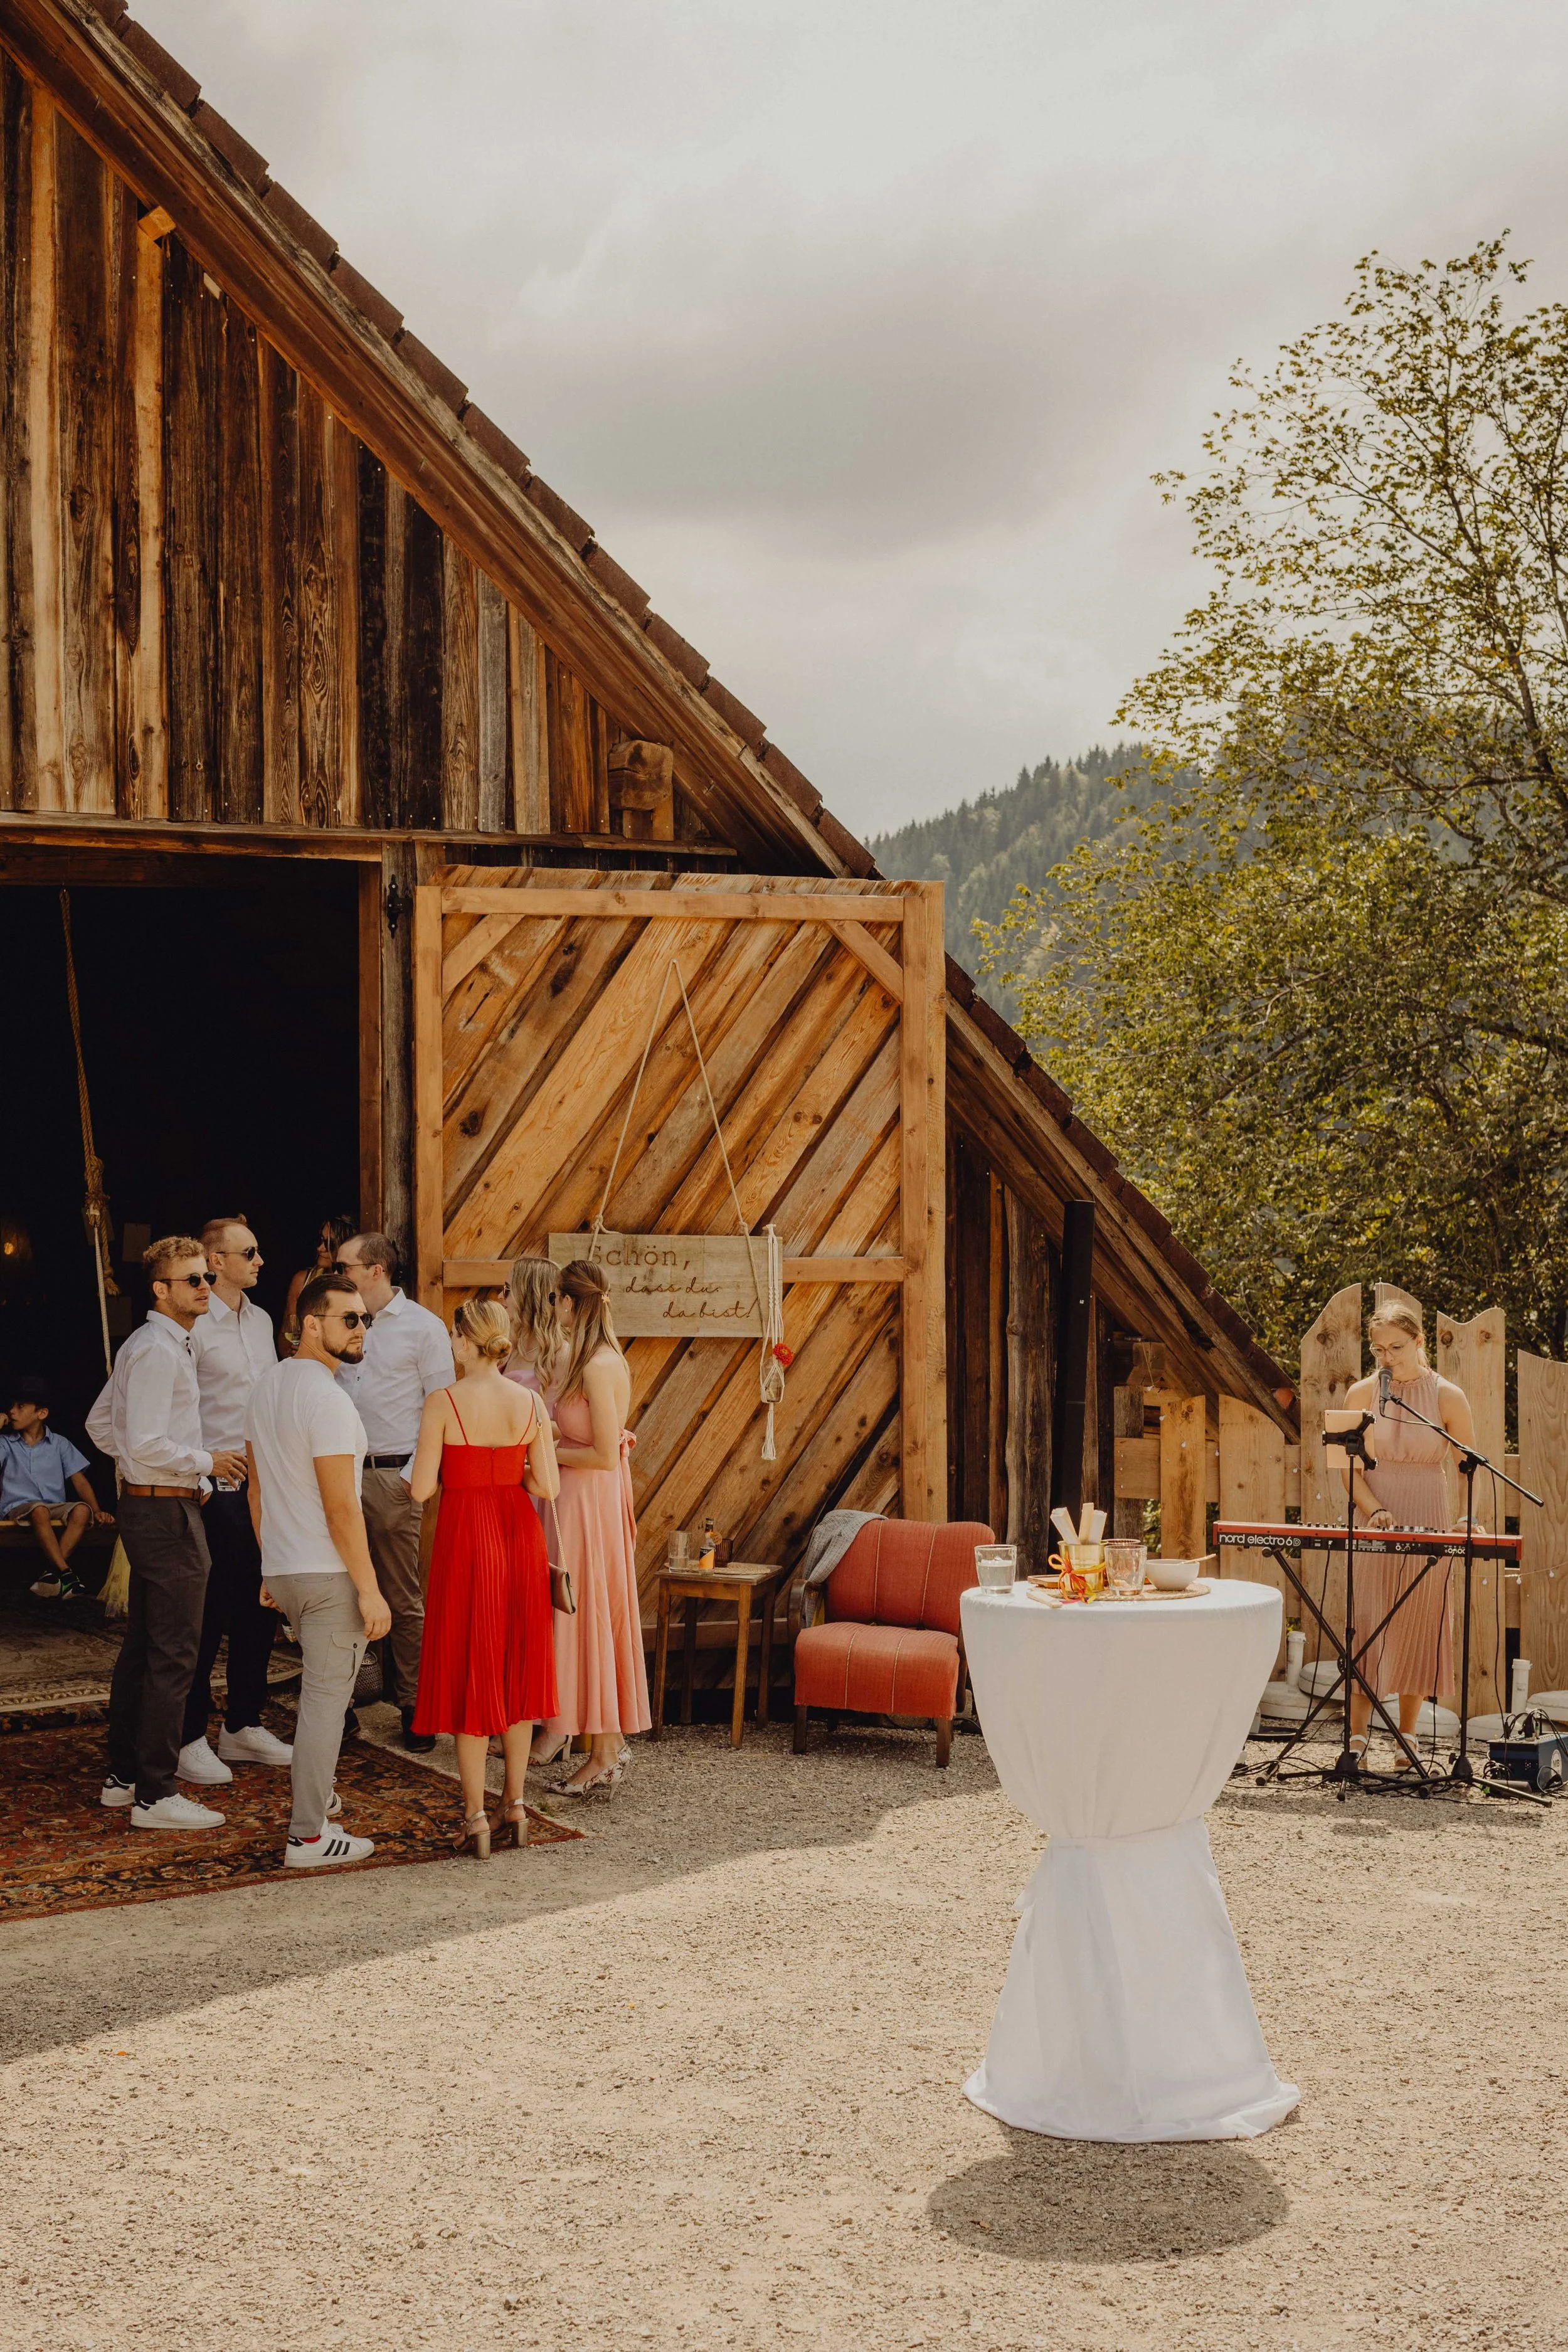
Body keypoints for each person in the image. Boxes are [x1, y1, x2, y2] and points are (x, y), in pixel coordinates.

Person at [87, 1236, 246, 1831]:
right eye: (193, 1280)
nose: (206, 1287)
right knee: (174, 1653)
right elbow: (146, 1440)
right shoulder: (157, 1349)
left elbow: (102, 1424)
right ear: (161, 1290)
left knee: (144, 1649)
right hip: (165, 1512)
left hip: (155, 1503)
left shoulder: (154, 1343)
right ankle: (156, 1794)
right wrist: (204, 1462)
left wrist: (141, 1467)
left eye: (207, 1277)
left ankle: (124, 1777)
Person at [245, 1272, 389, 1868]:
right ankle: (307, 1835)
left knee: (319, 1699)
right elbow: (341, 1506)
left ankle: (318, 1800)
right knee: (325, 1705)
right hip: (327, 1576)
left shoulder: (268, 1385)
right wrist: (370, 1588)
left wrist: (270, 1563)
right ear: (310, 1324)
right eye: (348, 1319)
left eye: (366, 1319)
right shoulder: (328, 1399)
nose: (361, 1329)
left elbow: (256, 1488)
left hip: (286, 1569)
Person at [407, 1296, 560, 1855]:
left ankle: (474, 1816)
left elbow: (423, 1489)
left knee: (473, 1664)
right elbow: (547, 1487)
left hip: (468, 1537)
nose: (451, 1344)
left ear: (467, 1343)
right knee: (516, 1667)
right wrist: (510, 1466)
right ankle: (515, 1804)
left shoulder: (443, 1401)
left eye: (454, 1336)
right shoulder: (531, 1402)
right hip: (519, 1534)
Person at [175, 1216, 290, 1785]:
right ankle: (189, 1735)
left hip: (262, 1483)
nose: (260, 1260)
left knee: (258, 1604)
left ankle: (243, 1723)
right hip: (211, 1483)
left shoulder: (263, 1319)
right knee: (207, 1613)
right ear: (215, 1260)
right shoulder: (193, 1326)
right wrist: (198, 1472)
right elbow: (179, 1406)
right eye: (249, 1252)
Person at [1338, 1303, 1475, 1767]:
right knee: (1369, 1620)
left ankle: (1407, 1734)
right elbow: (1347, 1470)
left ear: (1420, 1342)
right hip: (1375, 1510)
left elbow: (1467, 1467)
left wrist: (1467, 1516)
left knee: (1419, 1620)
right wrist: (1374, 1509)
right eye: (1379, 1349)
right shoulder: (1360, 1394)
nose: (1388, 1357)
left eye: (1397, 1347)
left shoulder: (1448, 1396)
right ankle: (1357, 1736)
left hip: (1428, 1509)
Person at [334, 1231, 455, 1750]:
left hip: (392, 1476)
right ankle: (338, 1706)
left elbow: (442, 1404)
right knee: (336, 1593)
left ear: (376, 1270)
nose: (336, 1272)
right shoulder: (338, 1319)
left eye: (345, 1265)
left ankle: (414, 1705)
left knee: (401, 1597)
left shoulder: (425, 1329)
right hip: (337, 1471)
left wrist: (413, 1478)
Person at [536, 1258, 650, 1797]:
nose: (552, 1306)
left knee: (590, 1615)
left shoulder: (602, 1364)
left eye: (557, 1298)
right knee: (583, 1617)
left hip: (592, 1502)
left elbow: (605, 1454)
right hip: (574, 1499)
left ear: (572, 1303)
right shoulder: (579, 1361)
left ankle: (604, 1750)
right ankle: (603, 1746)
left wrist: (543, 1447)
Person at [1, 1376, 112, 1599]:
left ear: (41, 1414)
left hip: (54, 1507)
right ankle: (66, 1574)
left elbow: (79, 1480)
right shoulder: (5, 1443)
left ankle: (51, 1575)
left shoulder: (60, 1444)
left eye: (20, 1406)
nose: (12, 1411)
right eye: (12, 1406)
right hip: (18, 1507)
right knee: (39, 1509)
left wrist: (96, 1509)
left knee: (82, 1510)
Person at [280, 1214, 358, 1357]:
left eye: (330, 1244)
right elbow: (288, 1332)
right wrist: (294, 1354)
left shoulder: (357, 1285)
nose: (320, 1248)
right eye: (321, 1240)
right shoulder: (302, 1280)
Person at [504, 1256, 561, 1400]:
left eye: (507, 1290)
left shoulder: (563, 1356)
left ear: (528, 1297)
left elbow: (571, 1422)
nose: (500, 1296)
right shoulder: (511, 1347)